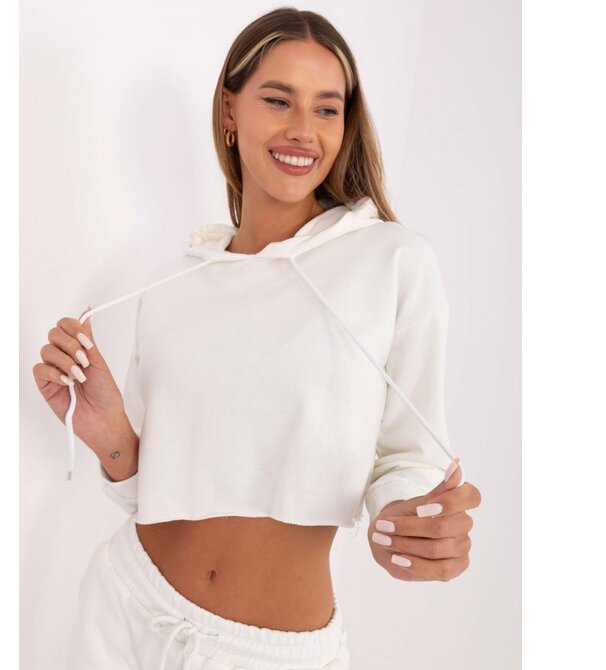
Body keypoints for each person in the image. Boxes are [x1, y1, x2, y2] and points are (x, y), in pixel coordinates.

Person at [32, 7, 482, 670]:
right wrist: (112, 438)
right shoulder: (176, 280)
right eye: (278, 100)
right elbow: (151, 491)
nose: (303, 129)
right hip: (123, 607)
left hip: (270, 653)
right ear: (230, 109)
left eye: (326, 109)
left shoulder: (391, 262)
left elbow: (408, 458)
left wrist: (408, 523)